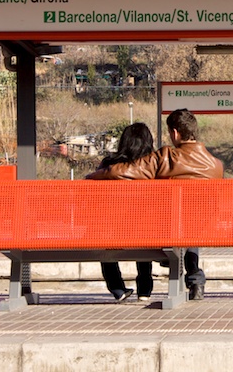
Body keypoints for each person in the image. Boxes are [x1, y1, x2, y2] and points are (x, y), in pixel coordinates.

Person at [86, 108, 222, 300]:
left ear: (175, 133)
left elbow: (127, 171)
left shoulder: (166, 157)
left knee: (173, 222)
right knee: (191, 222)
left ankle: (134, 284)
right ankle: (195, 278)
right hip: (203, 229)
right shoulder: (216, 165)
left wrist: (96, 175)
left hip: (165, 231)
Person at [92, 122, 156, 303]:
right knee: (144, 229)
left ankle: (117, 288)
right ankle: (144, 289)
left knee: (104, 238)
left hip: (111, 230)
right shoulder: (152, 166)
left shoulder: (108, 165)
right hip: (147, 231)